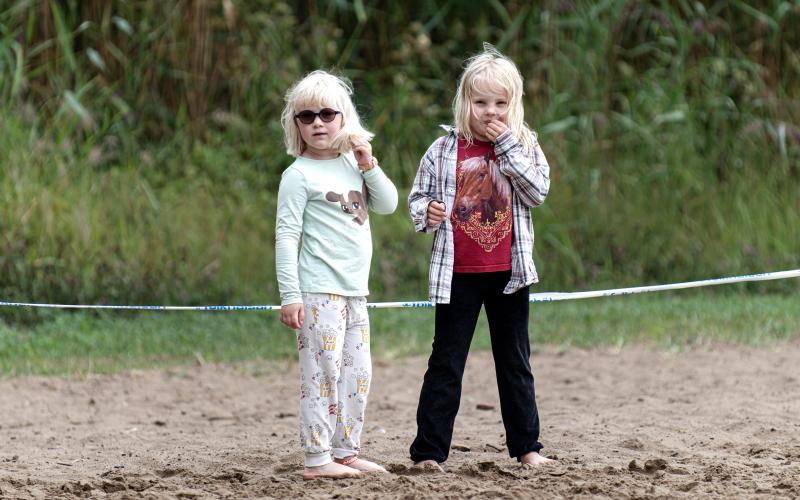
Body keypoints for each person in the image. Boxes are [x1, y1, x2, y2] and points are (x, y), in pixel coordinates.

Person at [408, 45, 552, 470]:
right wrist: (427, 213)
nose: (491, 112)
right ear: (463, 102)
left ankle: (528, 448)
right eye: (481, 102)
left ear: (514, 106)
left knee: (515, 362)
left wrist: (507, 143)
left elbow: (537, 192)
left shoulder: (524, 144)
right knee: (446, 362)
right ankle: (429, 453)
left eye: (501, 104)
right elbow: (418, 199)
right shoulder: (442, 150)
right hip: (457, 273)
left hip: (510, 273)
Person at [275, 70, 398, 480]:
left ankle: (346, 450)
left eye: (327, 114)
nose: (317, 123)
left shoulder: (353, 165)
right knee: (322, 375)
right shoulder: (297, 175)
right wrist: (290, 294)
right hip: (318, 292)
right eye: (306, 116)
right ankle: (317, 457)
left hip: (354, 292)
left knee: (357, 373)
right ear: (296, 124)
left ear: (344, 118)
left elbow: (387, 205)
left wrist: (369, 164)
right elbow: (286, 236)